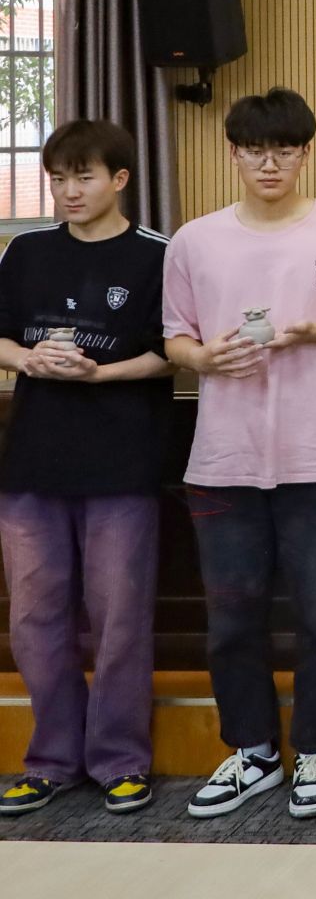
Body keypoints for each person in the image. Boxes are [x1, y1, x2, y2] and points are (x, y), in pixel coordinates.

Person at [163, 88, 316, 819]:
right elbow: (174, 336)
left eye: (284, 150)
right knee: (232, 620)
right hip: (224, 457)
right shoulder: (195, 240)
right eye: (254, 150)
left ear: (306, 153)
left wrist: (313, 331)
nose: (269, 164)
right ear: (233, 154)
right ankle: (253, 752)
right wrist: (202, 357)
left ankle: (315, 753)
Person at [0, 121, 173, 817]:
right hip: (32, 462)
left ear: (120, 179)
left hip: (122, 462)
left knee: (119, 617)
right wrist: (26, 359)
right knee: (34, 616)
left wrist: (101, 374)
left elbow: (172, 352)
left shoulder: (157, 254)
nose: (69, 191)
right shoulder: (27, 251)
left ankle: (120, 760)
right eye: (59, 179)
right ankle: (51, 760)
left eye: (84, 177)